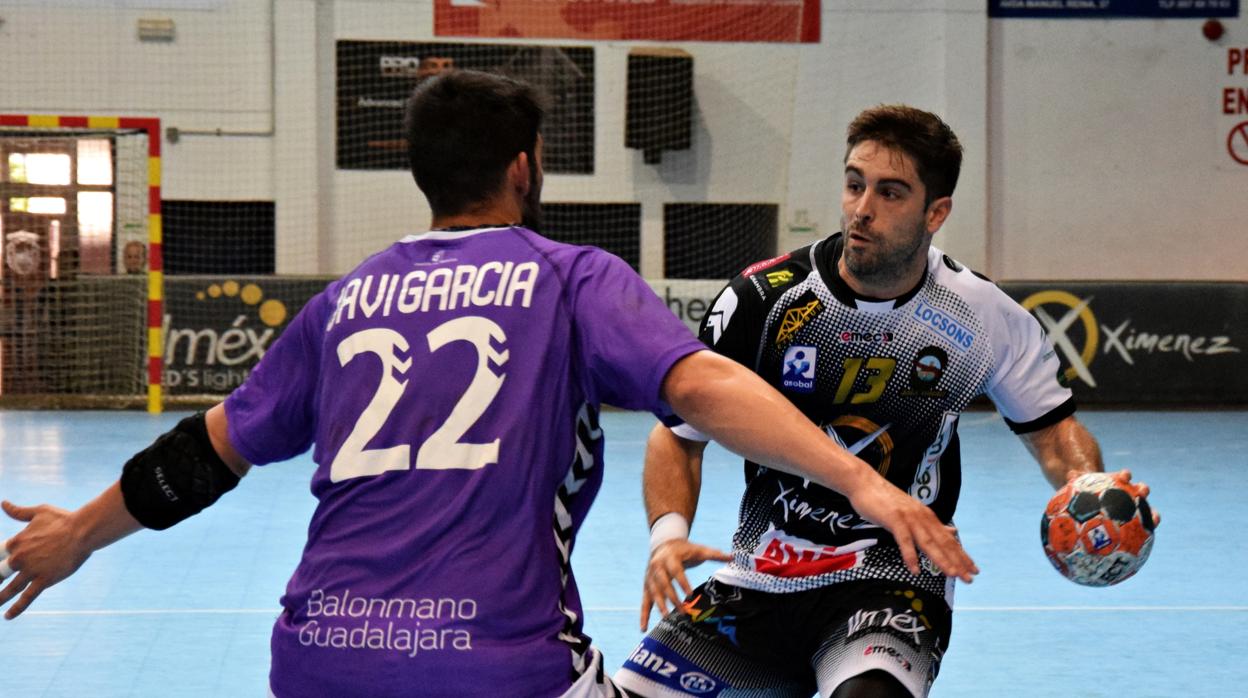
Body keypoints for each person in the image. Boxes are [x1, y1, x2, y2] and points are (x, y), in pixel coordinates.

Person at [0, 75, 976, 697]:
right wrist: (863, 482)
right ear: (523, 169)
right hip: (501, 666)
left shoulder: (344, 302)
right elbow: (704, 388)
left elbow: (200, 455)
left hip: (317, 663)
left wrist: (76, 533)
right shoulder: (567, 279)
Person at [615, 105, 1159, 698]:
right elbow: (677, 432)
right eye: (854, 185)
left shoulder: (984, 317)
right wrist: (667, 535)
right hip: (760, 575)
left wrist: (1092, 489)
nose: (862, 209)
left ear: (936, 212)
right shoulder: (762, 300)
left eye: (891, 193)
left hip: (893, 576)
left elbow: (1054, 433)